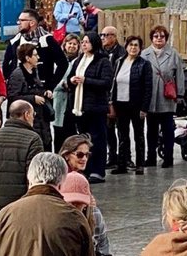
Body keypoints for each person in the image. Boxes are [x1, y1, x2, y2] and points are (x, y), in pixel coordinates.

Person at [63, 34, 111, 182]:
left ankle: (98, 171)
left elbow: (106, 83)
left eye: (87, 42)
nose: (83, 45)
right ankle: (86, 169)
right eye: (82, 42)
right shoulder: (78, 60)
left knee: (98, 139)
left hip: (96, 107)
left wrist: (86, 80)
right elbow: (70, 79)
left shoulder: (103, 61)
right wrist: (71, 81)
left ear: (94, 43)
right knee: (83, 140)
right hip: (79, 106)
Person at [58, 170, 111, 256]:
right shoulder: (53, 219)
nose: (75, 208)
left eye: (79, 203)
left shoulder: (94, 216)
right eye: (71, 203)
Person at [0, 100, 44, 218]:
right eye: (33, 114)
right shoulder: (33, 139)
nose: (33, 118)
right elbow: (34, 176)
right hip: (23, 204)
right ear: (27, 115)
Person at [141, 24, 183, 169]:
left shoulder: (174, 54)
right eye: (156, 36)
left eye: (162, 36)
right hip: (150, 96)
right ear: (151, 38)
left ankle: (168, 157)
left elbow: (180, 76)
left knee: (167, 130)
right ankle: (150, 157)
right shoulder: (144, 54)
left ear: (166, 38)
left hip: (167, 96)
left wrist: (180, 94)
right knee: (151, 130)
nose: (159, 39)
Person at [110, 36, 152, 173]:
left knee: (139, 135)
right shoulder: (118, 62)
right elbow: (113, 83)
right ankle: (122, 164)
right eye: (131, 45)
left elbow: (148, 88)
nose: (133, 48)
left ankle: (140, 164)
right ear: (126, 46)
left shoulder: (144, 64)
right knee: (122, 135)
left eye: (136, 45)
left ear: (140, 49)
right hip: (120, 103)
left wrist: (144, 108)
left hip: (136, 105)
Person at [5, 42, 54, 151]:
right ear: (27, 58)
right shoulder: (17, 75)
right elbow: (13, 98)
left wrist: (45, 92)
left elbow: (37, 88)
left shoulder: (34, 72)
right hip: (28, 120)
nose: (38, 57)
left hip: (42, 121)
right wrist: (32, 99)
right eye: (35, 55)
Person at [3, 8, 63, 89]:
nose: (18, 23)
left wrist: (51, 86)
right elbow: (6, 63)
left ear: (32, 23)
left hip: (41, 88)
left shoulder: (47, 40)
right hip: (18, 89)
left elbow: (63, 63)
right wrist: (9, 82)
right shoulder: (15, 41)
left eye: (22, 20)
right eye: (18, 20)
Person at [100, 25, 126, 168]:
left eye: (105, 35)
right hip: (104, 96)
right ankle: (112, 156)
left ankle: (124, 157)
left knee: (122, 129)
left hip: (119, 96)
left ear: (114, 37)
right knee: (108, 129)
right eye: (102, 35)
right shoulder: (101, 52)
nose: (103, 38)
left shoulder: (122, 53)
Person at [51, 33, 83, 147]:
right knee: (58, 134)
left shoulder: (81, 61)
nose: (72, 46)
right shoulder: (57, 61)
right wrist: (63, 84)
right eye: (70, 43)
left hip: (73, 101)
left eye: (75, 44)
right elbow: (53, 80)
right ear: (65, 45)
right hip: (59, 100)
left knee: (72, 134)